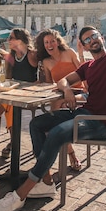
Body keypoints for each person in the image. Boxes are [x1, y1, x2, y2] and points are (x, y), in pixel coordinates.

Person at [0, 4, 106, 211]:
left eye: (94, 36)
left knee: (58, 132)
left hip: (102, 123)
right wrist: (66, 91)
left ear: (101, 37)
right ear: (83, 45)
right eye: (87, 40)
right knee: (37, 124)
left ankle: (20, 194)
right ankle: (45, 181)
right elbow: (64, 80)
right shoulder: (88, 67)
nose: (92, 40)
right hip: (83, 114)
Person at [0, 27, 39, 158]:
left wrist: (30, 86)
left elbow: (42, 78)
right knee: (8, 102)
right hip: (14, 93)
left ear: (20, 40)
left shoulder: (32, 55)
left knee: (8, 101)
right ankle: (13, 141)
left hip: (30, 94)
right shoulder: (11, 56)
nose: (8, 40)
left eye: (11, 38)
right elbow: (7, 77)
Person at [35, 28, 84, 171]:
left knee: (55, 122)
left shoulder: (69, 53)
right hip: (60, 94)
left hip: (78, 92)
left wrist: (80, 54)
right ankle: (69, 154)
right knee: (56, 119)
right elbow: (50, 83)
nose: (49, 45)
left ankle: (69, 155)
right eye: (46, 42)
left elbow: (84, 71)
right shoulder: (46, 61)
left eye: (52, 41)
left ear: (57, 42)